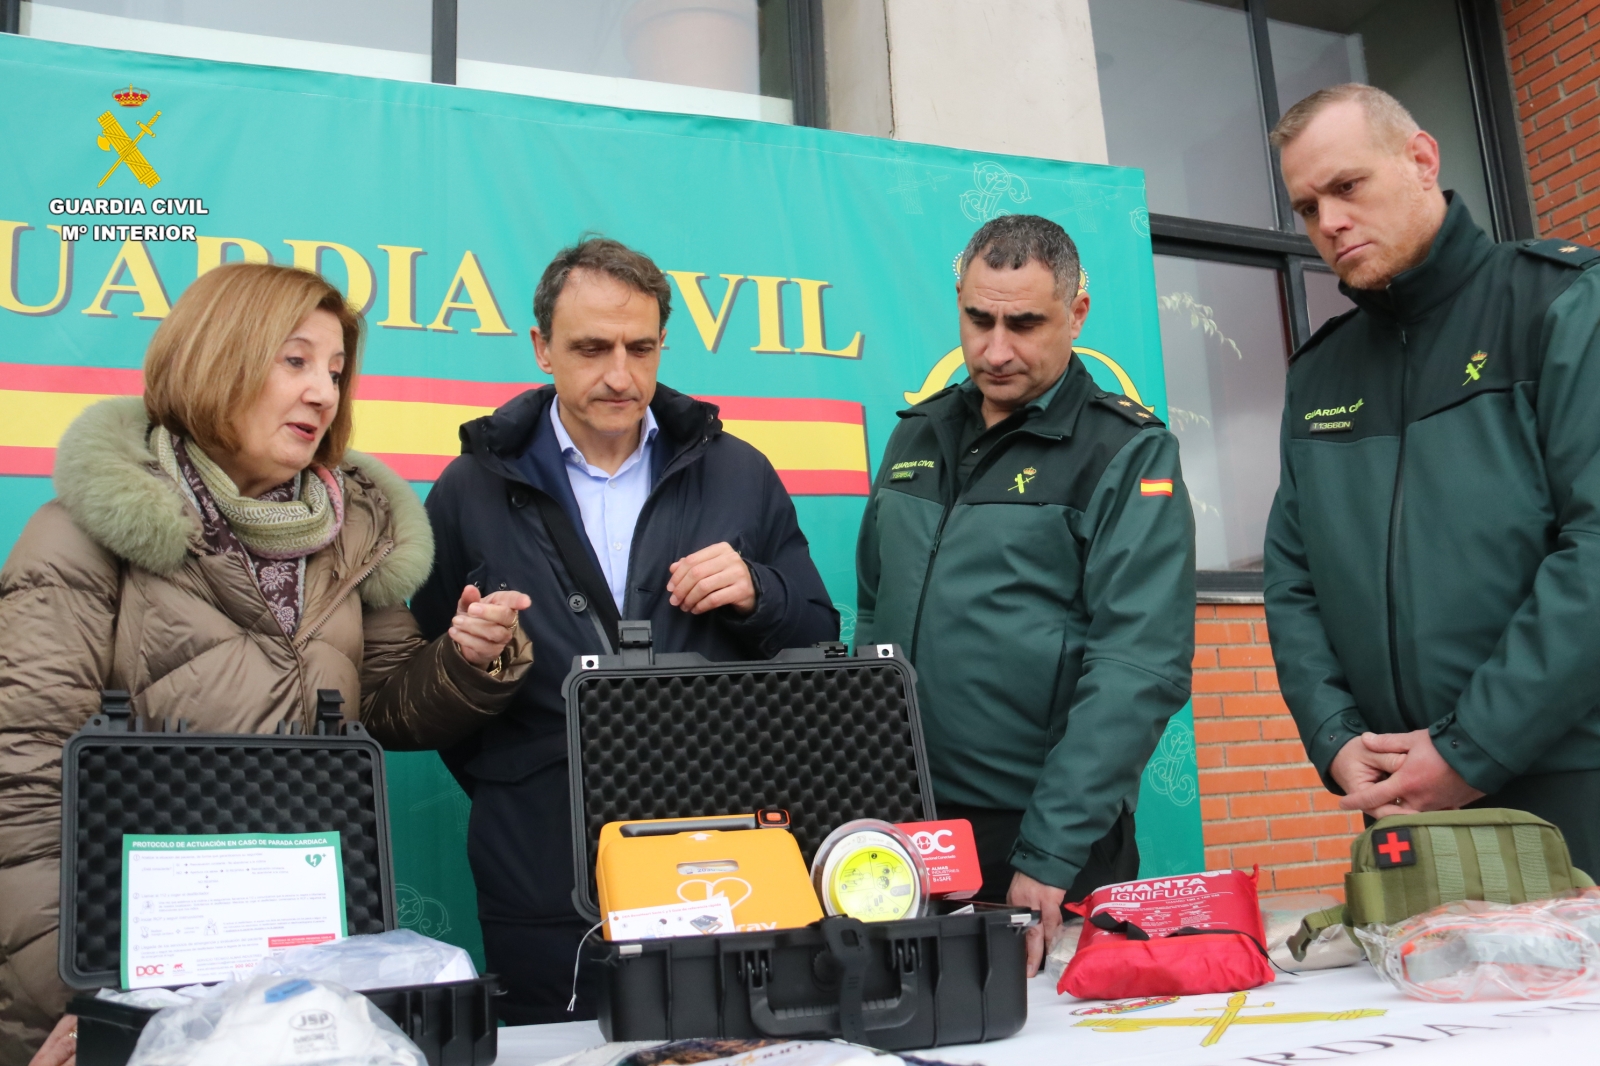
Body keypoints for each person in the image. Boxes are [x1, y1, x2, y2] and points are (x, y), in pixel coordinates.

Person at [0, 263, 533, 1066]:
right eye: (295, 361)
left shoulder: (352, 536)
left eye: (336, 372)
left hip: (294, 977)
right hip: (130, 987)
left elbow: (387, 706)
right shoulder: (78, 535)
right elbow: (23, 788)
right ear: (218, 356)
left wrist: (464, 659)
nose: (324, 392)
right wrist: (89, 1004)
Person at [412, 236, 838, 1023]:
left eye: (640, 348)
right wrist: (484, 695)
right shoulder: (468, 489)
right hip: (541, 880)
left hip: (721, 866)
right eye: (591, 348)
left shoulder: (739, 471)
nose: (620, 375)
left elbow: (819, 642)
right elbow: (417, 693)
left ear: (663, 343)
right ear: (541, 347)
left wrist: (760, 594)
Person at [1265, 83, 1600, 873]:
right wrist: (1336, 737)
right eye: (1308, 209)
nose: (1330, 223)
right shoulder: (1319, 373)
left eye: (1347, 187)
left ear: (1420, 161)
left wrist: (1470, 748)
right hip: (1399, 801)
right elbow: (1293, 582)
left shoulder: (1559, 305)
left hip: (1570, 786)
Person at [854, 214, 1197, 976]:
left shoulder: (1128, 450)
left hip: (1046, 845)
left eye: (1024, 323)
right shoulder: (916, 435)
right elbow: (874, 613)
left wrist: (1049, 852)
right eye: (978, 319)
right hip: (912, 834)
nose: (995, 349)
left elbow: (1139, 667)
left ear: (1076, 314)